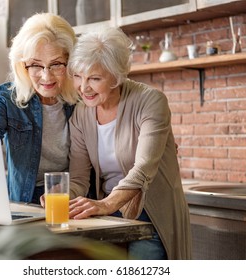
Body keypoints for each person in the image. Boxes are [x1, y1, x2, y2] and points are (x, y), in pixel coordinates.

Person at [66, 27, 192, 259]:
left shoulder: (150, 101)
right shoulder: (81, 114)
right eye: (77, 76)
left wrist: (106, 204)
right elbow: (79, 178)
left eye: (94, 78)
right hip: (109, 216)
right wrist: (63, 197)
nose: (83, 88)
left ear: (116, 76)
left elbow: (143, 169)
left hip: (151, 215)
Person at [0, 13, 78, 204]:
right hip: (25, 199)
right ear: (22, 65)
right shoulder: (5, 99)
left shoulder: (81, 99)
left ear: (70, 61)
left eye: (56, 64)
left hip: (73, 196)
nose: (46, 76)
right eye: (35, 65)